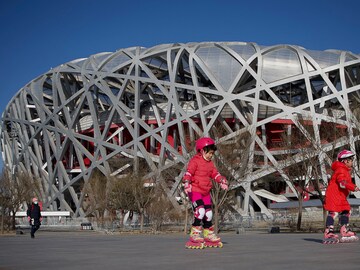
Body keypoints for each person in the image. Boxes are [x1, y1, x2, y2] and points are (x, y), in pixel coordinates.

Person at [183, 137, 228, 248]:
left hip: (205, 192)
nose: (211, 155)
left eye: (212, 154)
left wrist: (221, 180)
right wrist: (187, 182)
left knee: (208, 214)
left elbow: (215, 174)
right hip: (195, 190)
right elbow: (189, 172)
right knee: (200, 211)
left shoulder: (210, 164)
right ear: (202, 151)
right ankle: (195, 234)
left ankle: (208, 235)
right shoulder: (195, 161)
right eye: (209, 153)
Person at [323, 150, 360, 243]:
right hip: (334, 195)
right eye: (351, 160)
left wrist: (353, 187)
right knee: (333, 212)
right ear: (345, 161)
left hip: (340, 196)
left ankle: (344, 230)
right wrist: (353, 187)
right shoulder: (341, 169)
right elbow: (342, 183)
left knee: (346, 211)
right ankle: (328, 231)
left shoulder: (344, 170)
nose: (352, 162)